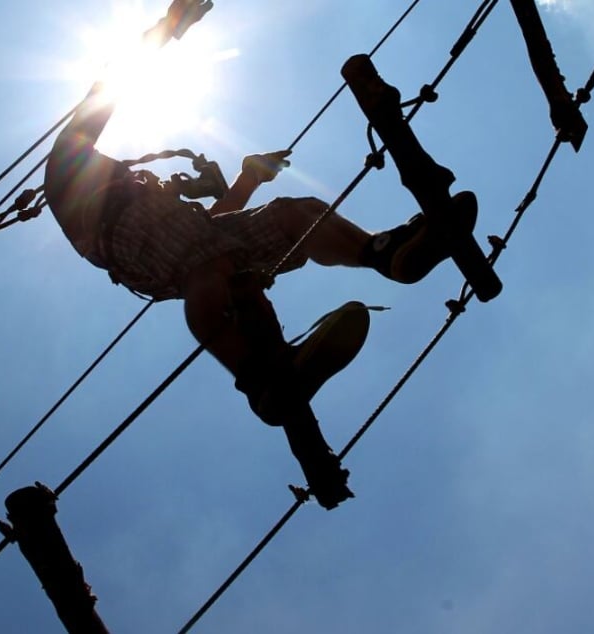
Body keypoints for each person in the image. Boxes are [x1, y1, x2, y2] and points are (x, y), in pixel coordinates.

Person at [43, 4, 477, 509]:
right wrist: (171, 26)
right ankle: (261, 377)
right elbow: (111, 86)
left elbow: (210, 226)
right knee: (206, 265)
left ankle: (385, 253)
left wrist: (248, 177)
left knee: (296, 215)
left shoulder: (144, 196)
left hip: (191, 241)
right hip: (135, 245)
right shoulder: (70, 180)